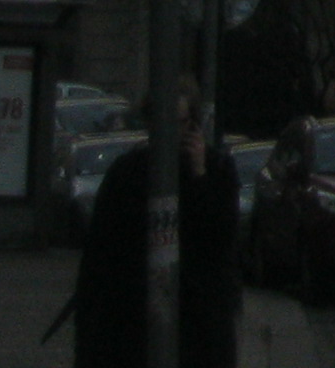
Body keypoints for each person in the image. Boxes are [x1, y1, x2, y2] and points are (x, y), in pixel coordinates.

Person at [71, 79, 240, 368]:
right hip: (132, 320)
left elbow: (220, 238)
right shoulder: (127, 173)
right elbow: (100, 256)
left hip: (197, 324)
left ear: (193, 124)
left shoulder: (216, 170)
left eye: (180, 123)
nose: (171, 133)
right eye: (162, 123)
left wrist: (199, 175)